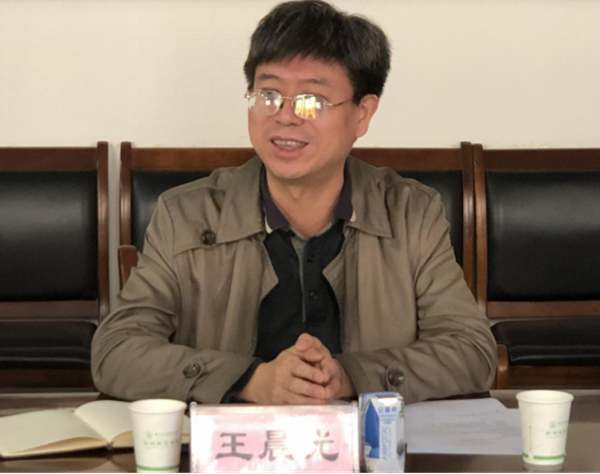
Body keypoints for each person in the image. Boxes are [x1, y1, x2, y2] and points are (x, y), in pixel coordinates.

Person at [92, 0, 496, 406]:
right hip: (234, 444)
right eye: (268, 95)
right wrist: (250, 381)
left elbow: (472, 351)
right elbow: (116, 351)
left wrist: (352, 376)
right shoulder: (186, 215)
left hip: (365, 441)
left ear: (362, 114)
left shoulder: (411, 213)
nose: (285, 116)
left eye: (311, 101)